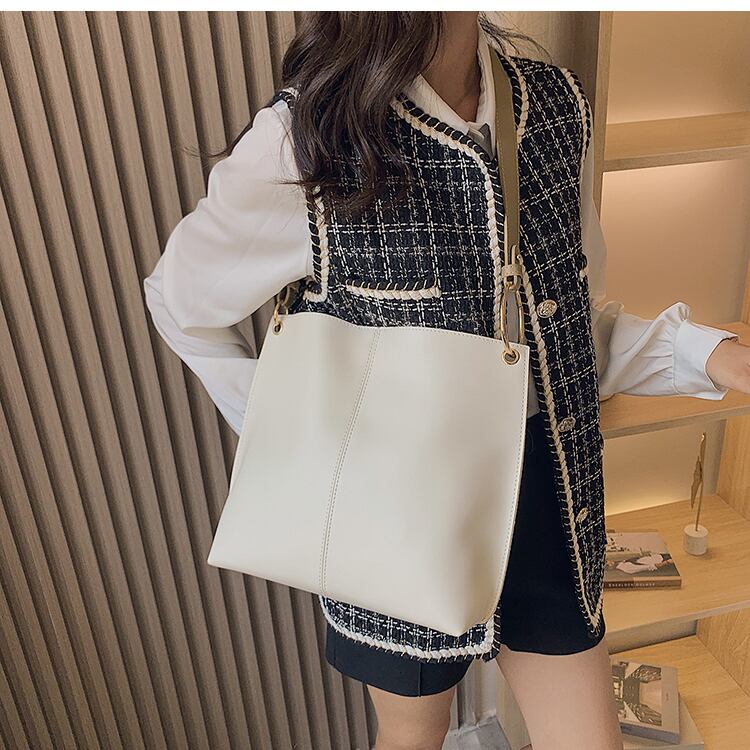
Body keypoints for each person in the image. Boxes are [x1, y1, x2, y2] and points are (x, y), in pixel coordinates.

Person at [143, 11, 750, 750]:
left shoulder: (555, 107)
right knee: (413, 738)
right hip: (392, 516)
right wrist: (291, 433)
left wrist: (707, 355)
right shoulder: (309, 136)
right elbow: (179, 302)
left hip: (548, 496)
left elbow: (564, 334)